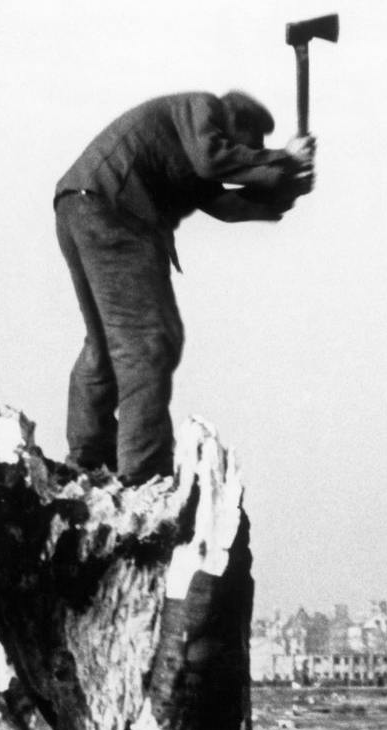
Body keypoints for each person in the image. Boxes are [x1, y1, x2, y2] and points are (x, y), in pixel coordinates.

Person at [54, 91, 316, 484]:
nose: (248, 154)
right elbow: (215, 159)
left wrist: (288, 187)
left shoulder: (189, 148)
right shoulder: (204, 108)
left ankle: (88, 459)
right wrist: (284, 157)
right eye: (250, 144)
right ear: (236, 122)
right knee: (148, 342)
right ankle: (143, 474)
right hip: (114, 211)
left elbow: (227, 205)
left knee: (106, 343)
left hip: (82, 205)